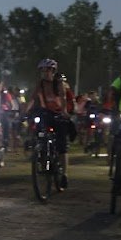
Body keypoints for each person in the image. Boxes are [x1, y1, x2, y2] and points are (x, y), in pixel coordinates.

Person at [26, 58, 75, 187]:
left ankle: (64, 174)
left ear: (53, 71)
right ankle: (40, 153)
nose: (44, 73)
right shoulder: (41, 83)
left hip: (59, 113)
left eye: (47, 70)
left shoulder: (58, 82)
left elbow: (63, 97)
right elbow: (32, 98)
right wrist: (24, 112)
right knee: (39, 132)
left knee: (61, 145)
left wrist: (64, 111)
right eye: (42, 70)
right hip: (47, 112)